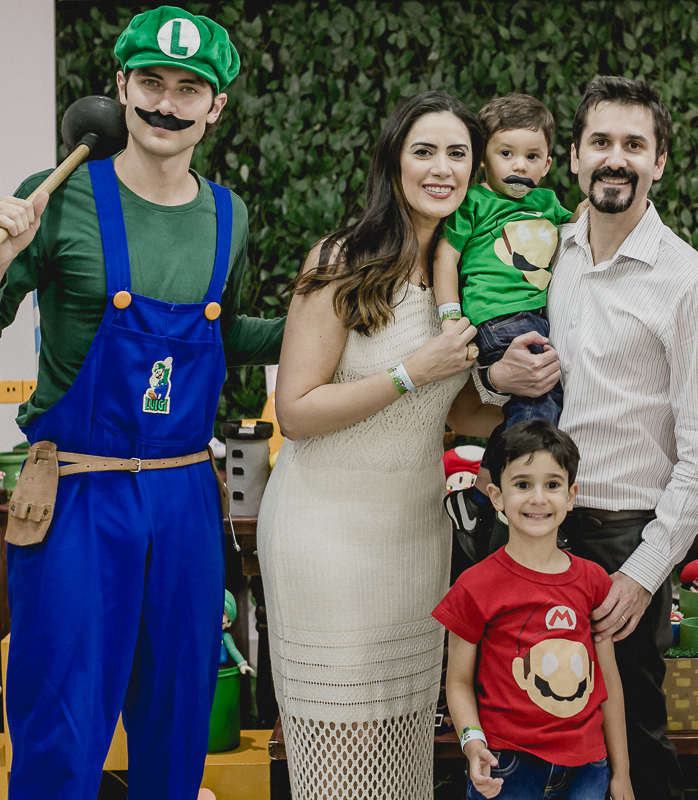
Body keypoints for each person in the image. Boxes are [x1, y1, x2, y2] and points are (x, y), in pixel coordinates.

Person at [0, 7, 283, 798]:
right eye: (151, 83)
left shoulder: (229, 217)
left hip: (184, 494)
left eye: (188, 89)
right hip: (77, 494)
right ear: (122, 87)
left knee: (178, 712)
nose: (167, 104)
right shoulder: (56, 198)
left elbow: (224, 333)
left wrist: (332, 315)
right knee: (61, 718)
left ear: (216, 106)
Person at [483, 76, 698, 800]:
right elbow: (504, 376)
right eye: (601, 143)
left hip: (624, 534)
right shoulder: (543, 253)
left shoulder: (687, 283)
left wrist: (643, 572)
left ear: (660, 163)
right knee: (531, 717)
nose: (615, 159)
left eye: (634, 144)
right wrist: (497, 379)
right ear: (575, 158)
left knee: (633, 725)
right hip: (533, 523)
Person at [256, 91, 503, 799]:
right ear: (393, 162)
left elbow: (449, 409)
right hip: (326, 533)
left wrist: (513, 394)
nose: (441, 168)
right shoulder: (342, 260)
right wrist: (409, 371)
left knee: (401, 751)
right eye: (424, 151)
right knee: (342, 750)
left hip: (413, 537)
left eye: (457, 153)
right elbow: (296, 410)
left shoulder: (467, 277)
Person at [435, 421, 633, 800]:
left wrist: (620, 773)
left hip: (587, 770)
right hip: (506, 767)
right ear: (496, 495)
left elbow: (609, 682)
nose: (538, 498)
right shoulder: (474, 586)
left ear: (571, 495)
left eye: (553, 485)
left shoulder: (593, 582)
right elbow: (458, 681)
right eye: (523, 484)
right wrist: (472, 743)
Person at [435, 94, 572, 555]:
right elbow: (447, 255)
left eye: (531, 156)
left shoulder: (547, 203)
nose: (519, 165)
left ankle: (478, 498)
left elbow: (580, 226)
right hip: (498, 320)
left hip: (538, 319)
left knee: (531, 407)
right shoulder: (474, 202)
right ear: (483, 160)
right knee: (539, 402)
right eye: (506, 153)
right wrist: (450, 315)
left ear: (548, 163)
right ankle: (518, 495)